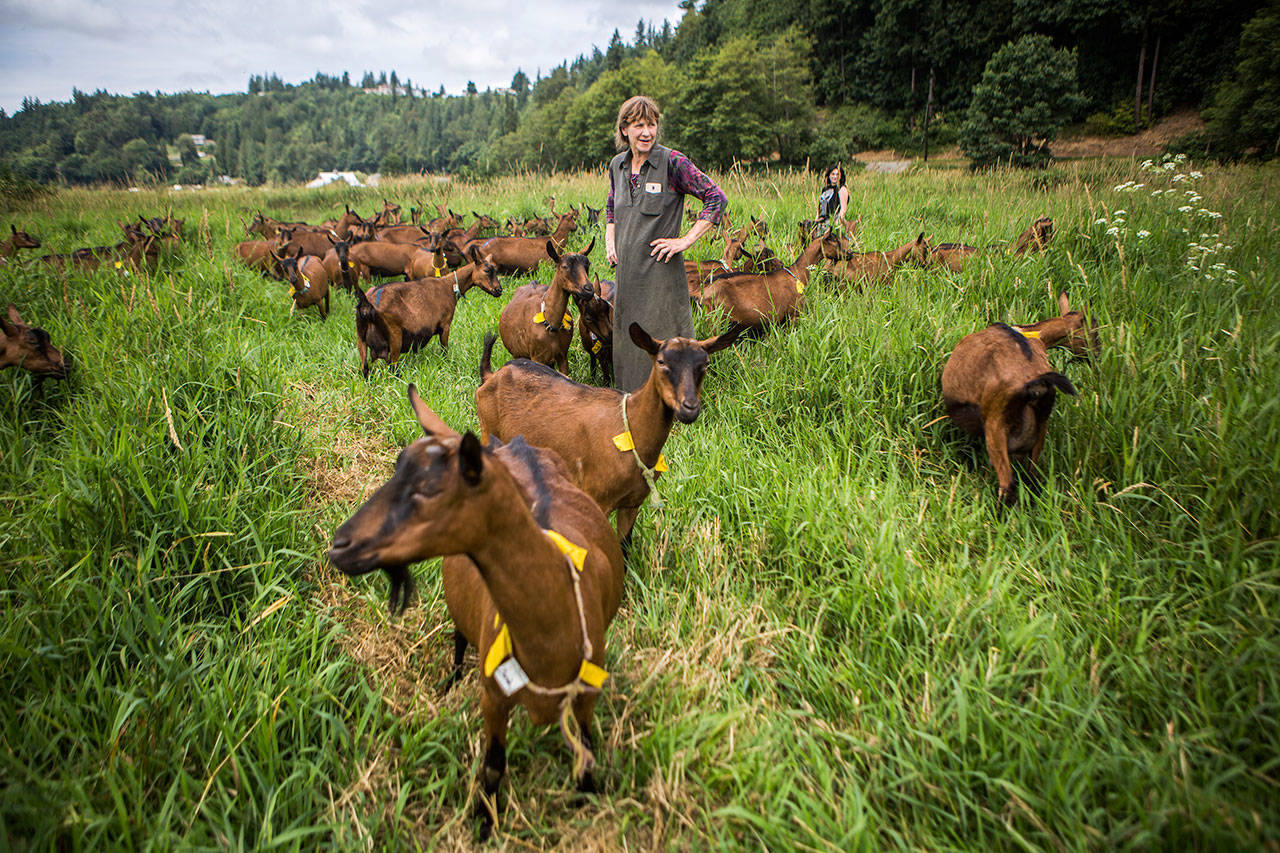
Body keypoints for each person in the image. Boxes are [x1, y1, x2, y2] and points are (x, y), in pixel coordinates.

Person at [605, 95, 728, 392]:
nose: (646, 132)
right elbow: (611, 203)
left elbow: (716, 198)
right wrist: (611, 238)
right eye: (638, 125)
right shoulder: (617, 165)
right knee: (629, 338)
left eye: (652, 124)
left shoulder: (673, 163)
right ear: (624, 130)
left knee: (665, 340)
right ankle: (631, 402)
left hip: (661, 276)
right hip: (627, 275)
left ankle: (676, 403)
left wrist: (684, 241)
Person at [816, 163, 850, 228]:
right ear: (829, 175)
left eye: (837, 174)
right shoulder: (825, 189)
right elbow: (820, 208)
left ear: (840, 176)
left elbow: (843, 210)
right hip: (823, 222)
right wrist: (816, 222)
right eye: (833, 174)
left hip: (835, 222)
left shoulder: (842, 189)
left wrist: (835, 225)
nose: (835, 177)